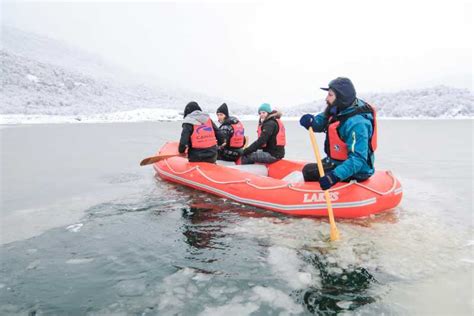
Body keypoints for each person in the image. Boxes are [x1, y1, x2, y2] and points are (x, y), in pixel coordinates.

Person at [299, 77, 377, 190]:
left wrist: (334, 176)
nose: (326, 98)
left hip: (358, 170)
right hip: (337, 161)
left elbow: (358, 159)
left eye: (330, 95)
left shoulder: (357, 124)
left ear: (341, 98)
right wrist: (312, 121)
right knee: (309, 169)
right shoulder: (341, 108)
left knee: (308, 172)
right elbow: (322, 120)